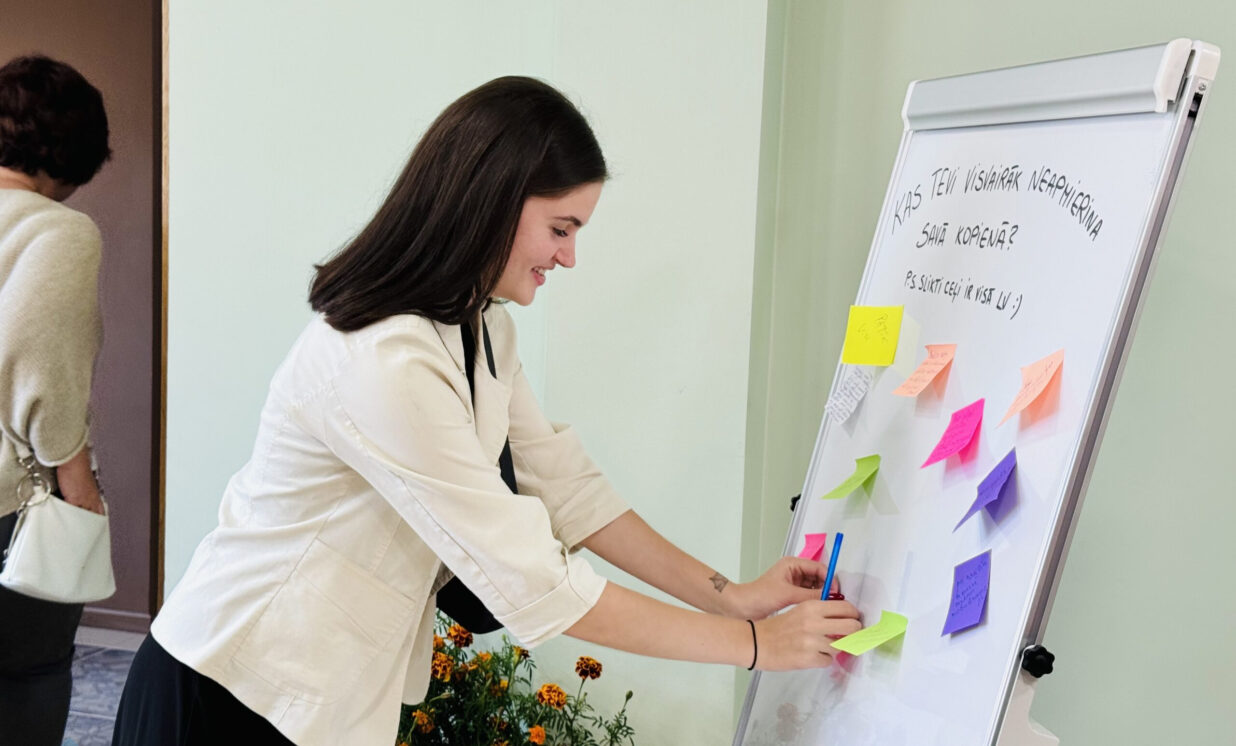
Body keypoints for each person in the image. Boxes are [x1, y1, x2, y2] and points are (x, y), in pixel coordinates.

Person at [113, 76, 862, 746]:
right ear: (492, 202)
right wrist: (756, 648)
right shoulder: (384, 359)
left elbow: (566, 488)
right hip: (229, 689)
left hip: (319, 700)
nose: (568, 257)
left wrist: (734, 599)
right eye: (561, 229)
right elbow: (535, 581)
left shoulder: (482, 326)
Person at [0, 54, 111, 745]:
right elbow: (41, 364)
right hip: (11, 504)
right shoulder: (58, 231)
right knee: (29, 674)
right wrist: (79, 483)